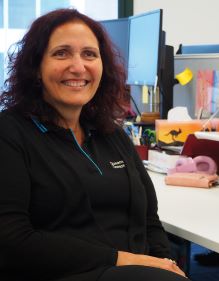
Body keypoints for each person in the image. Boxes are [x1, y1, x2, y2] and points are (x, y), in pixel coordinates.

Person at [0, 8, 188, 281]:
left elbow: (148, 220)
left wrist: (165, 263)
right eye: (61, 53)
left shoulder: (111, 133)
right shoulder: (10, 133)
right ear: (36, 68)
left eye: (89, 54)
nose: (78, 67)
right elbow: (11, 241)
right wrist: (126, 261)